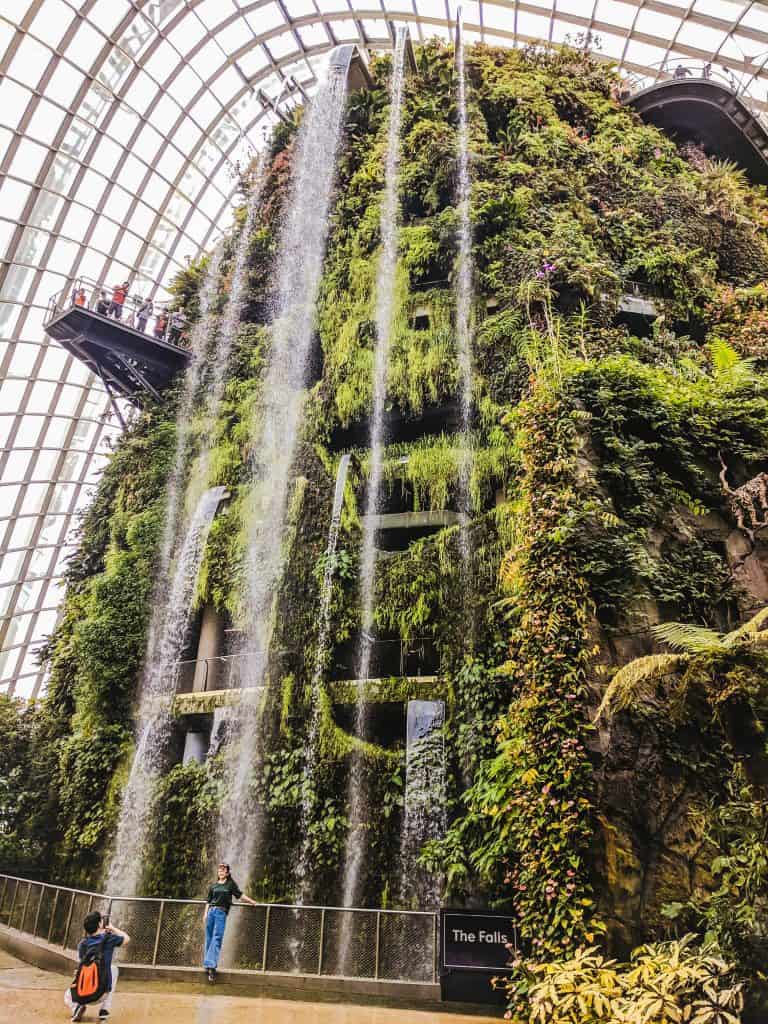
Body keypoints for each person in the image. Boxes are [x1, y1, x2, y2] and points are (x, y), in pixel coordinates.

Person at [64, 910, 130, 1022]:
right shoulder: (109, 939)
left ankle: (77, 1007)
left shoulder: (82, 944)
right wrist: (112, 928)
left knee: (66, 996)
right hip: (101, 994)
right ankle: (104, 1010)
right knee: (114, 969)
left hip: (82, 995)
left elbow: (80, 966)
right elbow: (127, 938)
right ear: (100, 924)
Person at [203, 863, 258, 983]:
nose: (221, 871)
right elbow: (208, 901)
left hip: (221, 913)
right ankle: (208, 966)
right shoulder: (214, 886)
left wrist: (252, 902)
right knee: (209, 938)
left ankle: (211, 967)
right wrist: (205, 913)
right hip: (211, 912)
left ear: (227, 873)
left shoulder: (230, 885)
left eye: (223, 870)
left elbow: (240, 895)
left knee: (217, 938)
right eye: (219, 870)